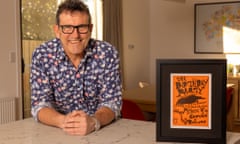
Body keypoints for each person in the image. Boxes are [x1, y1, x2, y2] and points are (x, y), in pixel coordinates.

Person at [30, 0, 122, 136]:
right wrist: (64, 121)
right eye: (67, 27)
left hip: (102, 130)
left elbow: (112, 103)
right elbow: (39, 104)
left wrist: (94, 121)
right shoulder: (42, 55)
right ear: (57, 30)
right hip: (56, 130)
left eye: (82, 27)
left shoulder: (107, 53)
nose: (75, 35)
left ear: (90, 29)